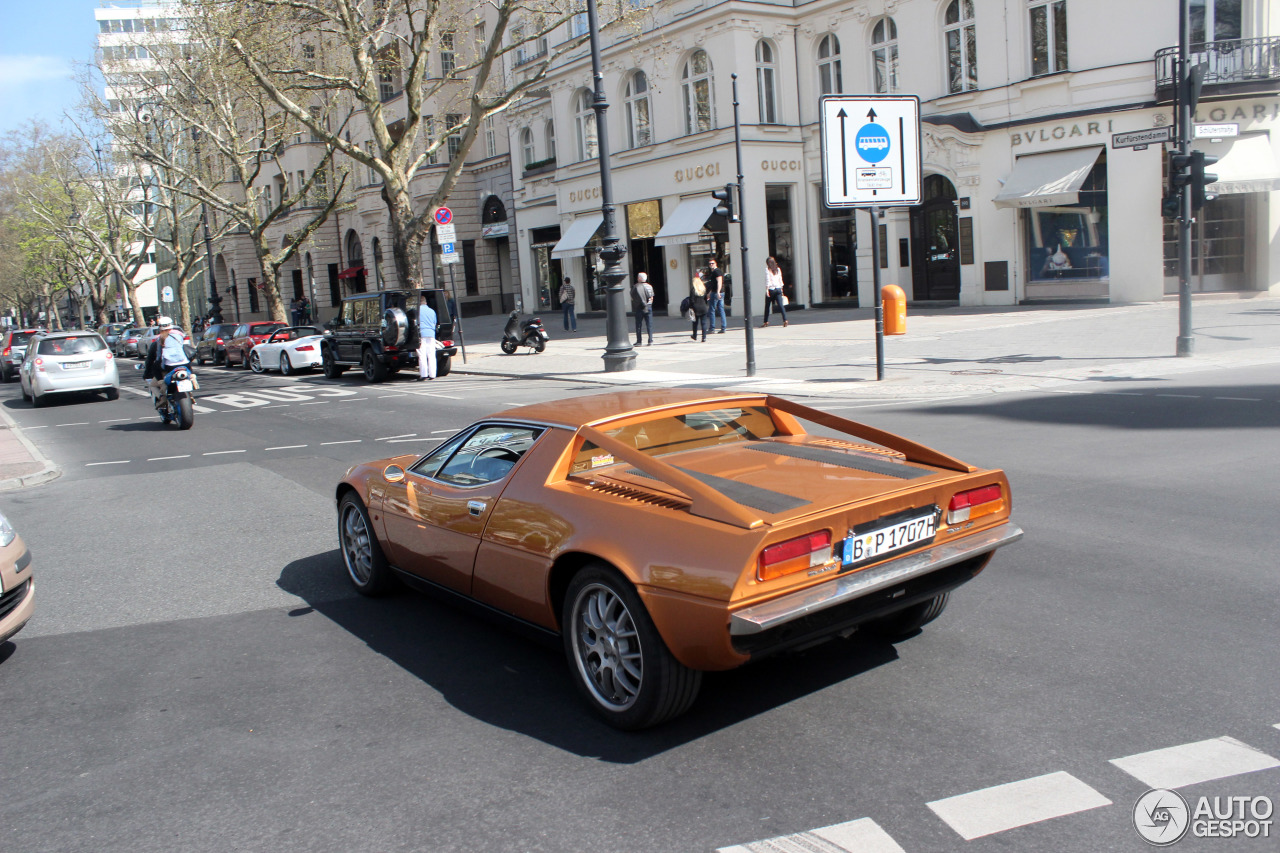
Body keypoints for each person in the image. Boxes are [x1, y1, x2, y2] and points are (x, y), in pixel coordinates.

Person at [142, 316, 191, 421]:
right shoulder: (180, 335)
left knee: (153, 383)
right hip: (185, 364)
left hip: (169, 366)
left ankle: (162, 395)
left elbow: (158, 357)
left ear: (159, 327)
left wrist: (147, 373)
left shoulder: (159, 339)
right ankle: (192, 380)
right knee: (190, 375)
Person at [415, 294, 438, 381]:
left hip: (421, 335)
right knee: (431, 355)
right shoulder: (432, 311)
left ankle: (423, 374)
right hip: (431, 334)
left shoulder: (417, 311)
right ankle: (432, 374)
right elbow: (434, 323)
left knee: (422, 355)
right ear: (425, 302)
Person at [762, 256, 788, 327]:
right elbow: (780, 280)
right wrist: (781, 290)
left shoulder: (767, 270)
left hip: (771, 289)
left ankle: (766, 321)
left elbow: (768, 280)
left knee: (767, 306)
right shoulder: (778, 269)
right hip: (778, 289)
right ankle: (785, 319)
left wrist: (767, 290)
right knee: (780, 305)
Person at [702, 258, 726, 334]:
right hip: (716, 292)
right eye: (710, 263)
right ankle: (723, 327)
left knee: (712, 310)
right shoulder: (714, 272)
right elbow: (714, 284)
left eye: (712, 263)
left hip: (717, 293)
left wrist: (718, 292)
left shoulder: (717, 271)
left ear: (715, 264)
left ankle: (712, 328)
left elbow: (719, 282)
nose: (711, 265)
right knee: (720, 309)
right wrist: (710, 292)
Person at [631, 272, 654, 346]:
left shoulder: (636, 287)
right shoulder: (649, 286)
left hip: (639, 307)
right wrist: (649, 304)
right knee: (649, 324)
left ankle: (639, 341)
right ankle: (650, 340)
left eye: (638, 277)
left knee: (638, 325)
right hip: (648, 307)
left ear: (640, 278)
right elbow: (651, 297)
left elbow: (632, 297)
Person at [689, 271, 710, 342]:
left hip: (696, 307)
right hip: (703, 307)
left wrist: (691, 307)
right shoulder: (703, 289)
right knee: (703, 323)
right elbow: (705, 299)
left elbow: (691, 300)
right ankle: (704, 337)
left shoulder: (693, 289)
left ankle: (694, 335)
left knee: (695, 323)